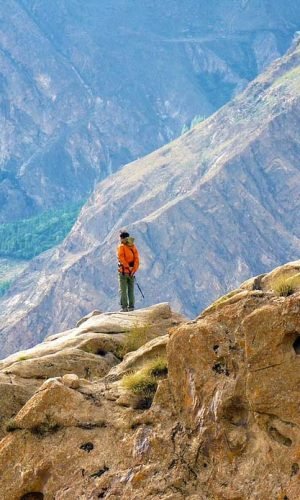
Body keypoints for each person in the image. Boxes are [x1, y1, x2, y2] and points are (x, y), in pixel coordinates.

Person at [117, 231, 140, 312]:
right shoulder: (133, 247)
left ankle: (124, 307)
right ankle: (131, 307)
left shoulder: (121, 247)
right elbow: (137, 260)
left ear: (122, 238)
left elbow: (121, 259)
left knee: (123, 290)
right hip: (132, 273)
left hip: (123, 272)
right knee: (131, 290)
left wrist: (127, 268)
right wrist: (133, 270)